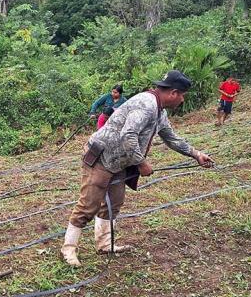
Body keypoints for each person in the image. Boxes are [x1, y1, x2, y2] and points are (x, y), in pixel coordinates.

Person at [61, 70, 214, 266]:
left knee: (114, 203)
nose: (182, 100)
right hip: (102, 156)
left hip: (120, 161)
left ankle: (105, 244)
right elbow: (128, 135)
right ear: (173, 93)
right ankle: (68, 249)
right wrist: (141, 163)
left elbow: (171, 138)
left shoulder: (160, 112)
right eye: (182, 95)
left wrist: (196, 154)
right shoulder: (146, 105)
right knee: (88, 204)